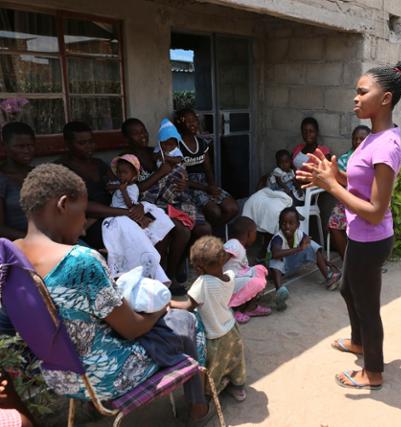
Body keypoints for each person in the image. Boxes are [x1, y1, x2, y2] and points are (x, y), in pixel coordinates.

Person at [13, 164, 213, 425]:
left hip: (58, 374)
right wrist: (160, 308)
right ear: (62, 205)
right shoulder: (80, 260)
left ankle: (95, 409)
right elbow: (132, 329)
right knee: (187, 320)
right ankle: (198, 407)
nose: (84, 226)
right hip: (106, 376)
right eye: (82, 213)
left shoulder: (11, 260)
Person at [297, 60, 401, 390]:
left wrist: (332, 186)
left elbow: (376, 210)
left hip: (372, 237)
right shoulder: (372, 138)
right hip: (360, 234)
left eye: (363, 92)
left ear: (385, 98)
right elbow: (360, 184)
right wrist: (336, 177)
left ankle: (373, 372)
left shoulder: (387, 145)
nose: (356, 98)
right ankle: (359, 343)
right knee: (349, 289)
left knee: (367, 306)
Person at [170, 236, 247, 402]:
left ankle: (212, 391)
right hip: (232, 329)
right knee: (235, 360)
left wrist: (168, 303)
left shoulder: (203, 283)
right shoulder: (230, 276)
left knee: (215, 366)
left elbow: (188, 306)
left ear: (199, 269)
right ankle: (238, 387)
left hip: (215, 336)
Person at [120, 118, 192, 288]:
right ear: (126, 138)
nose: (142, 136)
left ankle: (171, 272)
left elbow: (174, 171)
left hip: (163, 202)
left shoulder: (156, 150)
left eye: (143, 131)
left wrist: (183, 182)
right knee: (174, 231)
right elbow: (133, 189)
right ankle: (162, 278)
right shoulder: (126, 160)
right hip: (141, 205)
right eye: (136, 134)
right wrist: (160, 173)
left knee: (187, 229)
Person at [57, 121, 148, 250]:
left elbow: (121, 187)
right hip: (87, 223)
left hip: (115, 213)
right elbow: (83, 206)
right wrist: (127, 212)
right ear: (68, 144)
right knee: (130, 237)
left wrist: (137, 206)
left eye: (91, 142)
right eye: (82, 143)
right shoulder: (62, 169)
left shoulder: (98, 164)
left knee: (154, 226)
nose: (89, 146)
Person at [101, 154, 174, 282]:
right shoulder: (119, 184)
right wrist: (118, 186)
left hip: (127, 212)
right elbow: (107, 187)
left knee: (136, 229)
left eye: (125, 172)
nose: (121, 175)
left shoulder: (133, 188)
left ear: (134, 175)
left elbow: (130, 205)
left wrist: (123, 191)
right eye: (119, 172)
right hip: (115, 213)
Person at [175, 108, 239, 227]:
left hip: (204, 184)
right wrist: (206, 188)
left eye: (194, 120)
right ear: (180, 123)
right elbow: (181, 178)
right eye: (188, 121)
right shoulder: (177, 146)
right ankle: (209, 234)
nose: (193, 124)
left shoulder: (202, 143)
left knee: (233, 208)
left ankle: (213, 230)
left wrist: (212, 187)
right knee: (215, 211)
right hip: (189, 187)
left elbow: (208, 169)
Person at [268, 207, 340, 311]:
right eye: (283, 223)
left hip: (290, 267)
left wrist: (324, 261)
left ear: (297, 225)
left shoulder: (299, 234)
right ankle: (280, 292)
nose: (287, 226)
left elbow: (310, 245)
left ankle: (328, 277)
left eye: (291, 223)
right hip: (276, 273)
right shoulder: (278, 238)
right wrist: (299, 249)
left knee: (310, 245)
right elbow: (275, 254)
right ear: (280, 224)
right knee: (276, 260)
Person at [327, 125, 371, 259]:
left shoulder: (374, 158)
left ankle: (367, 261)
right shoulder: (345, 158)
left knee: (367, 226)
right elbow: (340, 182)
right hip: (347, 200)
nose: (358, 142)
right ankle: (347, 259)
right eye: (355, 139)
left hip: (369, 201)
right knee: (333, 223)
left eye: (362, 139)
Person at [223, 216, 271, 323]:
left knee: (259, 270)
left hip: (236, 278)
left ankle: (250, 308)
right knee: (256, 281)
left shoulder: (239, 245)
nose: (255, 236)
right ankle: (233, 310)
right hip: (228, 283)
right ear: (249, 234)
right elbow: (220, 259)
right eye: (255, 233)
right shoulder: (234, 244)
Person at [0, 122, 35, 240]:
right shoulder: (2, 179)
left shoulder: (40, 174)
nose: (27, 150)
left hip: (53, 238)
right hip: (18, 244)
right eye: (20, 146)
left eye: (30, 145)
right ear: (4, 147)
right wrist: (33, 240)